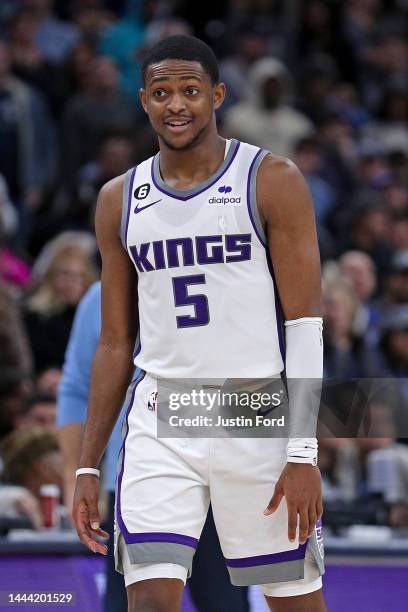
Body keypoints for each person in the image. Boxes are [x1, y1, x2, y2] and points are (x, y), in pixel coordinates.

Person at [73, 35, 326, 612]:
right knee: (152, 602)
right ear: (143, 101)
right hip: (162, 419)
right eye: (161, 92)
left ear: (217, 95)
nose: (176, 104)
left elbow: (306, 325)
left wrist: (304, 454)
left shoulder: (272, 179)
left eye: (190, 90)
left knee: (295, 603)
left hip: (253, 413)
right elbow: (115, 342)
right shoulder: (119, 199)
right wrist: (90, 463)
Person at [58, 281, 249, 611]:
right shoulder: (102, 296)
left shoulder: (231, 278)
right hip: (136, 473)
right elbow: (75, 390)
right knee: (134, 602)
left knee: (225, 603)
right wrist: (79, 472)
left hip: (220, 473)